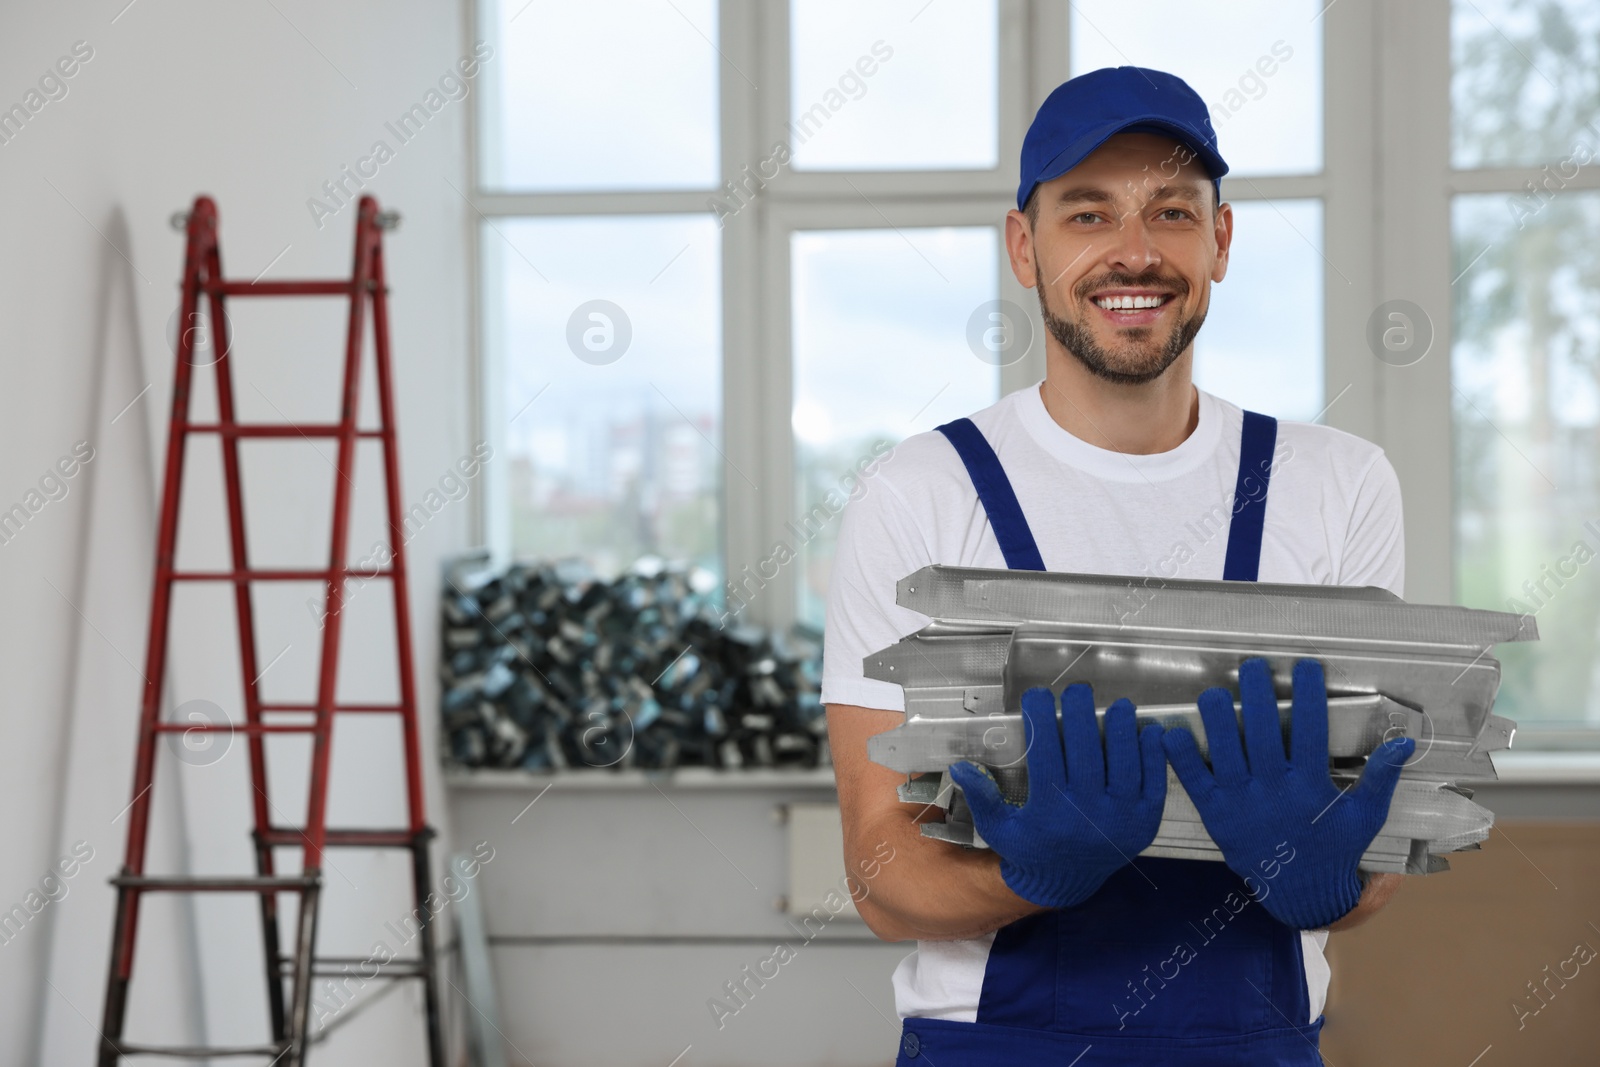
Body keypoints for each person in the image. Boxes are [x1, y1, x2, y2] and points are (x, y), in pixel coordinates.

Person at [821, 66, 1416, 1065]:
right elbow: (880, 874)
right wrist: (1035, 870)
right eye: (1087, 213)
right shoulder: (918, 492)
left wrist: (1330, 876)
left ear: (1219, 241)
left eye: (1171, 211)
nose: (1133, 252)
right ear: (1025, 246)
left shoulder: (1337, 485)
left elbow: (1372, 848)